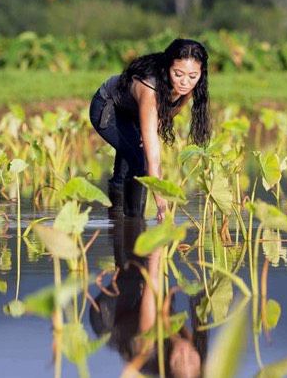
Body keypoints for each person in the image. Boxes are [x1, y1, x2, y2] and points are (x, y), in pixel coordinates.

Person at [89, 38, 210, 220]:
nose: (185, 81)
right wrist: (162, 206)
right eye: (178, 74)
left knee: (129, 162)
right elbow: (153, 160)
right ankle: (134, 222)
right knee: (139, 161)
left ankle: (118, 222)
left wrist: (159, 120)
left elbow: (173, 106)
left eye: (193, 76)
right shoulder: (150, 90)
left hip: (134, 112)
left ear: (201, 73)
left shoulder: (189, 86)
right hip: (107, 107)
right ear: (167, 67)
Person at [90, 212, 206, 378]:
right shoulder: (194, 343)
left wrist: (155, 255)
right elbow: (164, 313)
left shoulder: (149, 354)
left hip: (111, 319)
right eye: (192, 360)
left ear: (169, 367)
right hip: (137, 312)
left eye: (178, 361)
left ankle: (122, 215)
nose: (184, 352)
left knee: (137, 270)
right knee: (164, 296)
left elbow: (151, 278)